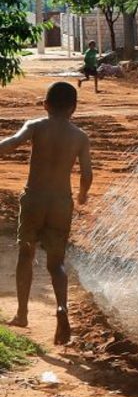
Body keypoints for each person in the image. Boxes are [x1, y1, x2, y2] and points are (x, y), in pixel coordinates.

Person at [0, 82, 92, 345]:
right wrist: (83, 195)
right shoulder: (80, 136)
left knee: (25, 253)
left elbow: (12, 143)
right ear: (73, 108)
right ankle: (61, 308)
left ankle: (21, 314)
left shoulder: (36, 126)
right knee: (56, 264)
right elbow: (86, 173)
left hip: (34, 199)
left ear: (45, 105)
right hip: (61, 202)